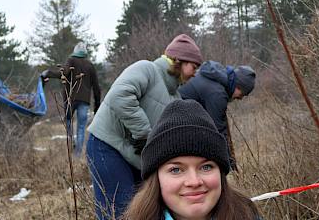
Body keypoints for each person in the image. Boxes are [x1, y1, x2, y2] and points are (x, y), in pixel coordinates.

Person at [86, 34, 204, 220]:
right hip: (107, 146)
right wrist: (144, 134)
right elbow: (120, 96)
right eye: (194, 67)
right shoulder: (146, 69)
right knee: (118, 211)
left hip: (135, 157)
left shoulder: (175, 96)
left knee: (144, 210)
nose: (195, 73)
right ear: (179, 61)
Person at [122, 99, 261, 220]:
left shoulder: (247, 215)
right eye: (176, 170)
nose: (194, 182)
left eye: (206, 167)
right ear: (156, 178)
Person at [178, 62, 256, 170]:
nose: (241, 98)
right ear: (238, 86)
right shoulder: (217, 94)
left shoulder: (215, 80)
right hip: (178, 123)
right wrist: (229, 165)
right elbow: (217, 131)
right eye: (242, 94)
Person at [43, 41, 102, 156]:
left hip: (70, 99)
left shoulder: (71, 60)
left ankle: (71, 145)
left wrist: (48, 73)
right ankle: (77, 155)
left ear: (75, 51)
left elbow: (63, 74)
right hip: (84, 101)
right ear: (85, 52)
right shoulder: (89, 65)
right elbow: (96, 87)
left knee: (68, 123)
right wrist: (97, 105)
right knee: (81, 128)